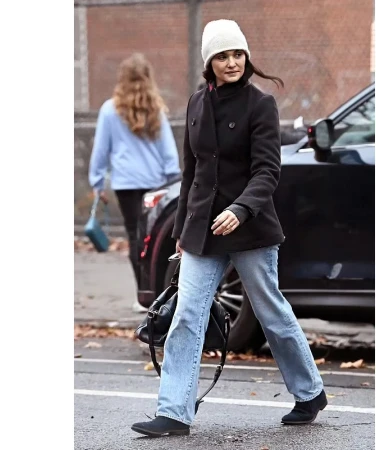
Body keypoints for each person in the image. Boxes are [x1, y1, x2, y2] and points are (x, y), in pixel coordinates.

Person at [131, 20, 326, 437]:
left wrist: (241, 209)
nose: (232, 62)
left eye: (238, 54)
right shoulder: (196, 103)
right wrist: (182, 230)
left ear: (246, 57)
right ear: (210, 62)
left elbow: (267, 170)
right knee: (187, 315)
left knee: (271, 313)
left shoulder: (261, 104)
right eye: (222, 56)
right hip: (202, 231)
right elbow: (191, 174)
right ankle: (174, 412)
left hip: (250, 228)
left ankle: (310, 392)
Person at [89, 53, 181, 313]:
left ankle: (143, 296)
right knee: (155, 239)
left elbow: (101, 149)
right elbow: (168, 150)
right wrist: (173, 178)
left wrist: (97, 182)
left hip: (126, 184)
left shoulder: (109, 110)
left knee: (135, 237)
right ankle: (159, 293)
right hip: (156, 184)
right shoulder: (156, 109)